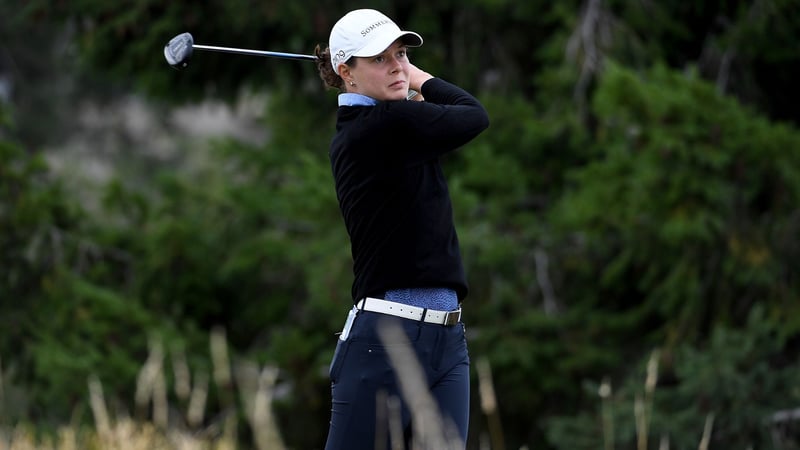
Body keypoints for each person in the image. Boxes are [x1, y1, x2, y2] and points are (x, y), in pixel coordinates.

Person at [314, 8, 489, 450]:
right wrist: (418, 78)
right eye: (380, 59)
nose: (397, 65)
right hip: (386, 340)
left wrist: (401, 80)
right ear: (346, 72)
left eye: (402, 54)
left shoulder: (393, 121)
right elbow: (472, 115)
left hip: (447, 339)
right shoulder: (379, 127)